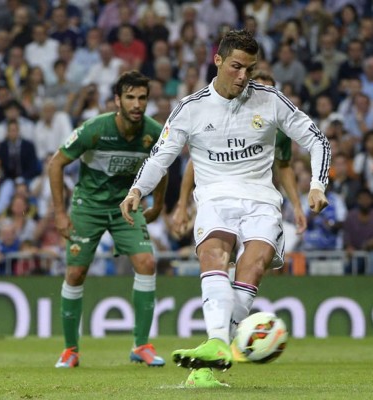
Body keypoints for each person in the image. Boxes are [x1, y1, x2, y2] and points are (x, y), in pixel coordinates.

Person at [120, 30, 331, 388]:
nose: (243, 76)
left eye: (250, 69)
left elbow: (317, 139)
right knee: (215, 251)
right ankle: (219, 342)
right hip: (215, 197)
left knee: (256, 260)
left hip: (261, 198)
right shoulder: (191, 108)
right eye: (236, 67)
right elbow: (161, 156)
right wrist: (136, 190)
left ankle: (212, 348)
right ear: (217, 61)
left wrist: (317, 184)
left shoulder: (271, 100)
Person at [48, 70, 168, 368]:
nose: (137, 104)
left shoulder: (154, 132)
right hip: (88, 205)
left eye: (142, 98)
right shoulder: (95, 130)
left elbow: (162, 166)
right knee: (75, 274)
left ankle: (141, 345)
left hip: (126, 205)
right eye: (130, 97)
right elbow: (56, 164)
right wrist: (60, 213)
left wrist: (158, 204)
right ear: (117, 100)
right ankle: (70, 350)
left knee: (147, 263)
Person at [172, 70, 308, 240]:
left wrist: (297, 206)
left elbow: (284, 165)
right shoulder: (225, 120)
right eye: (259, 90)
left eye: (269, 93)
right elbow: (195, 162)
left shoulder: (279, 130)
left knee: (261, 256)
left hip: (259, 197)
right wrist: (182, 204)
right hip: (219, 194)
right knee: (220, 250)